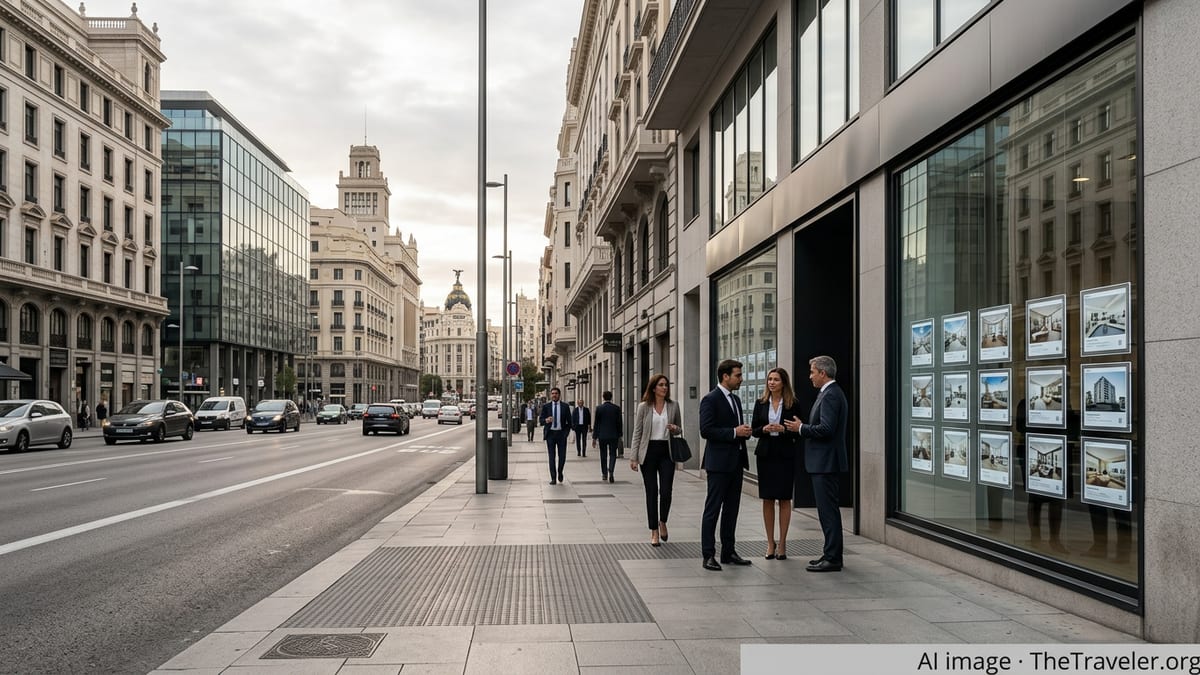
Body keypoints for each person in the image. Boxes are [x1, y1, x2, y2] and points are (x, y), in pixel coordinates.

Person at [698, 359, 753, 571]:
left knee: (732, 509)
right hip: (718, 464)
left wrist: (743, 432)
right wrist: (733, 432)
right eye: (738, 375)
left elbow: (734, 429)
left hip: (736, 462)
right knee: (712, 510)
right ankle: (708, 555)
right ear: (725, 376)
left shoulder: (736, 400)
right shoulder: (710, 399)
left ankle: (728, 552)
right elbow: (706, 430)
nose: (741, 379)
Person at [799, 355, 849, 572]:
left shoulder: (831, 395)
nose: (810, 376)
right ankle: (830, 553)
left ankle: (833, 557)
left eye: (812, 372)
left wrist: (801, 428)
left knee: (828, 512)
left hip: (826, 462)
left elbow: (826, 429)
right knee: (827, 511)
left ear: (823, 372)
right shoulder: (829, 393)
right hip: (824, 462)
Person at [751, 367, 803, 560]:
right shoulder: (760, 403)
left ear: (783, 383)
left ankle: (782, 543)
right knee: (767, 498)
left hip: (785, 454)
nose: (771, 382)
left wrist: (784, 430)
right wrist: (764, 429)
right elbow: (754, 429)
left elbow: (800, 430)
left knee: (784, 499)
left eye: (776, 380)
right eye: (770, 379)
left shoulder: (793, 404)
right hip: (765, 454)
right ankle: (770, 542)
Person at [630, 374, 682, 546]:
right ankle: (653, 530)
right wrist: (634, 457)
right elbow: (637, 432)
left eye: (666, 385)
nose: (664, 387)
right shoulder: (644, 407)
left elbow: (679, 430)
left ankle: (663, 521)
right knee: (651, 492)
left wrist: (675, 428)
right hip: (648, 452)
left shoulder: (673, 405)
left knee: (666, 490)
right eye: (661, 385)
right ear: (653, 388)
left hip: (667, 452)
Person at [540, 388, 570, 485]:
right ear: (550, 395)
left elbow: (569, 422)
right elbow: (541, 420)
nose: (554, 395)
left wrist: (566, 433)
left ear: (559, 395)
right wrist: (546, 420)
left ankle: (560, 471)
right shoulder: (546, 406)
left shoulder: (565, 406)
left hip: (561, 434)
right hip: (550, 434)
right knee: (551, 457)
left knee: (562, 456)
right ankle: (553, 477)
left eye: (556, 393)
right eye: (552, 393)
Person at [592, 391, 623, 483]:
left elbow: (596, 423)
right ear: (611, 397)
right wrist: (620, 435)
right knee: (613, 454)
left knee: (603, 455)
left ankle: (604, 474)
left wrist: (594, 437)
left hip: (602, 436)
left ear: (603, 397)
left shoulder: (599, 408)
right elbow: (619, 423)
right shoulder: (616, 408)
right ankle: (611, 471)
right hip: (613, 435)